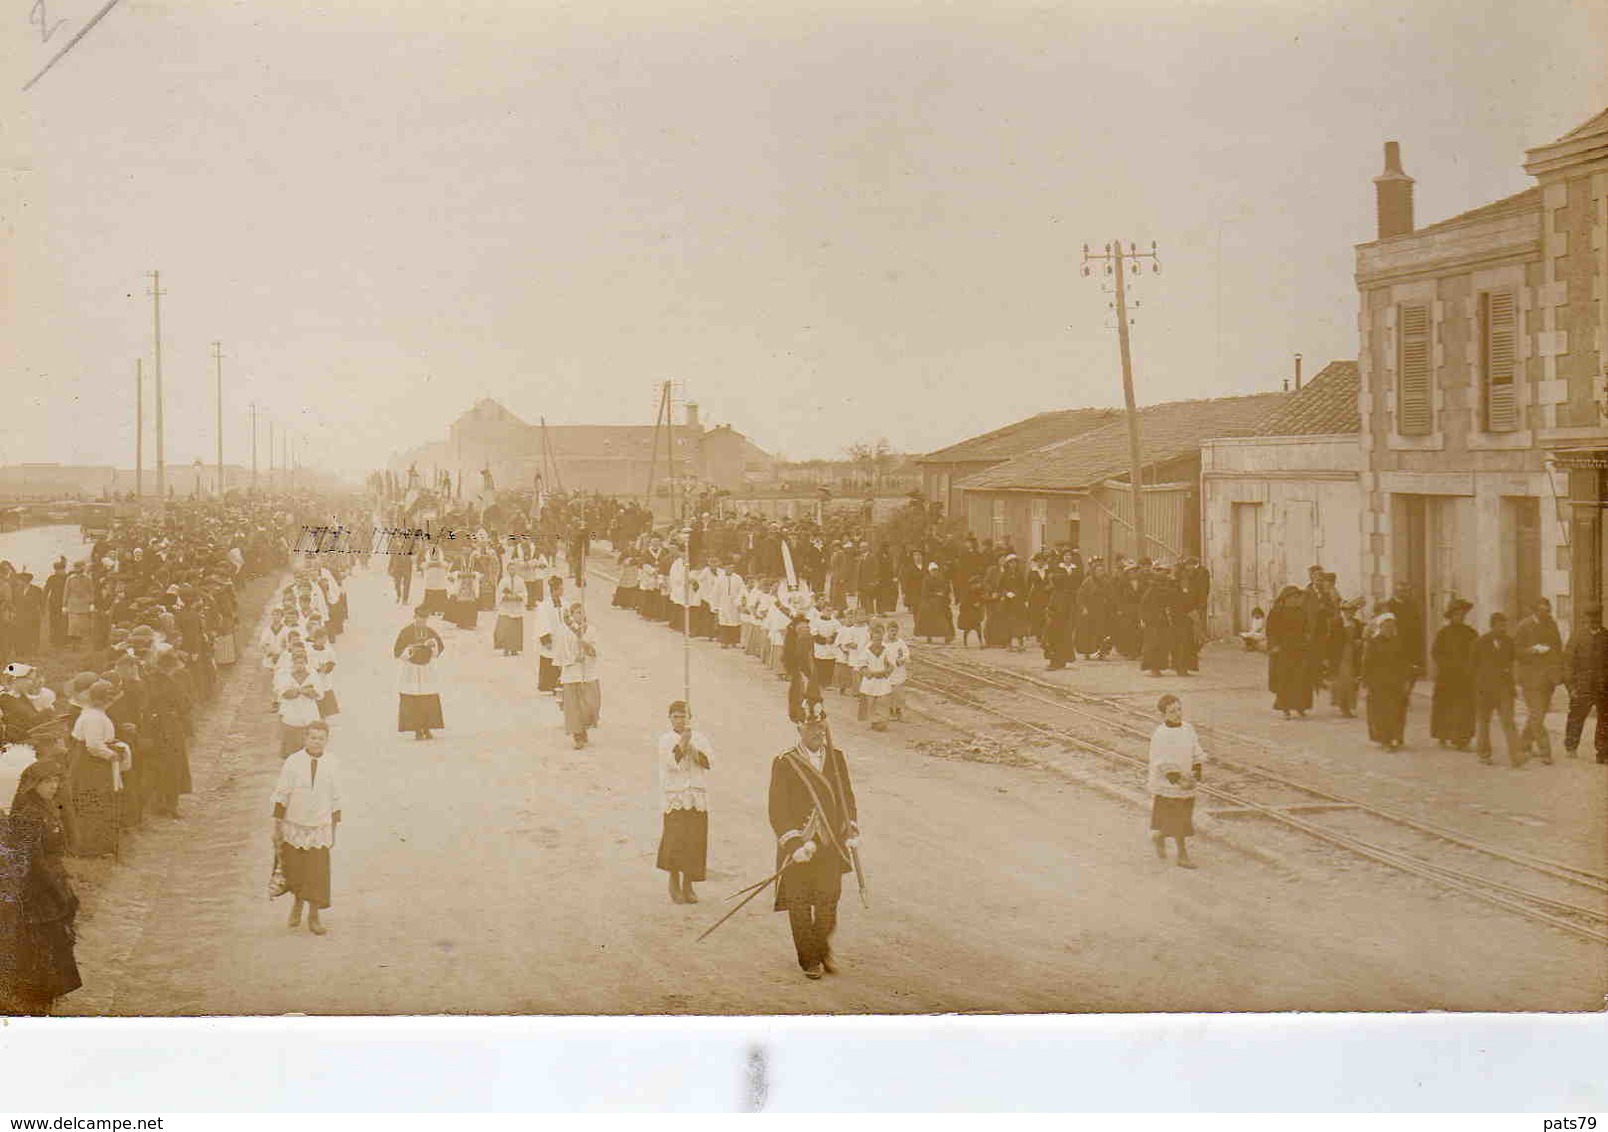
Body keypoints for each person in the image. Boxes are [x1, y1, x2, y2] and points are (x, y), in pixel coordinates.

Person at [768, 700, 860, 980]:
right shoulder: (785, 762)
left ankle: (820, 947)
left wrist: (852, 827)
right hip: (799, 847)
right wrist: (794, 845)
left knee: (829, 901)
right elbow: (777, 808)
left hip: (831, 843)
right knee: (799, 903)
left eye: (821, 727)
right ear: (800, 729)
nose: (818, 733)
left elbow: (847, 797)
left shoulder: (837, 757)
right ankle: (809, 959)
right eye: (812, 728)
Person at [1, 761, 82, 1014]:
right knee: (41, 942)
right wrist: (57, 890)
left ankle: (50, 993)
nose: (53, 786)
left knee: (55, 939)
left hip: (51, 879)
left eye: (55, 781)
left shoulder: (46, 809)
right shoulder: (28, 814)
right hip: (36, 888)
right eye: (47, 781)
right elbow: (34, 861)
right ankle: (37, 998)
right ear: (32, 785)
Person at [270, 719, 341, 936]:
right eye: (312, 737)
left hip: (319, 826)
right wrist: (278, 826)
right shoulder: (293, 762)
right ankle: (297, 905)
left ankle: (314, 915)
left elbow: (336, 798)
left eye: (321, 738)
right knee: (297, 869)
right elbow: (282, 795)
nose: (316, 741)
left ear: (327, 740)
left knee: (317, 872)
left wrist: (333, 830)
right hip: (295, 825)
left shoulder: (332, 763)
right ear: (305, 738)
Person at [655, 701, 711, 905]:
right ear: (670, 718)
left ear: (690, 718)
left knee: (694, 841)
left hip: (696, 797)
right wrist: (682, 744)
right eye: (676, 716)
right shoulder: (665, 740)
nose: (680, 720)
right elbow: (671, 763)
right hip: (676, 796)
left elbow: (708, 762)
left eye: (684, 716)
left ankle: (689, 884)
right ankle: (674, 881)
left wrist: (692, 746)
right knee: (676, 840)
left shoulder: (700, 738)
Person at [1146, 694, 1205, 869]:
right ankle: (1182, 855)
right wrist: (1177, 779)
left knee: (1183, 818)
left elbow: (1196, 750)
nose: (1177, 714)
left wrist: (1196, 771)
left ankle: (1160, 836)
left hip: (1187, 782)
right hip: (1170, 784)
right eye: (1172, 711)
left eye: (1179, 709)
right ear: (1164, 714)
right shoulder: (1161, 734)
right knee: (1178, 820)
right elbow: (1161, 761)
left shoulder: (1188, 729)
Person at [1513, 597, 1563, 766]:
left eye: (1548, 610)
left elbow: (1558, 647)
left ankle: (1522, 745)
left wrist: (1557, 671)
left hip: (1547, 679)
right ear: (1535, 611)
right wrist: (1532, 650)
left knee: (1537, 716)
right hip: (1530, 678)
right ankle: (1545, 751)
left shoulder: (1551, 624)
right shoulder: (1523, 626)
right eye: (1543, 610)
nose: (1547, 613)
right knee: (1537, 714)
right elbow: (1516, 652)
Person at [1473, 612, 1522, 768]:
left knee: (1509, 722)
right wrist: (1477, 686)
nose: (1503, 628)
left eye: (1505, 625)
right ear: (1492, 626)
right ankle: (1484, 754)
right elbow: (1472, 666)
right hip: (1485, 690)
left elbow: (1515, 659)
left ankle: (1516, 756)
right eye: (1500, 625)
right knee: (1483, 723)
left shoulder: (1508, 642)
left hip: (1504, 689)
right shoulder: (1480, 642)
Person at [1429, 599, 1478, 750]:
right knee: (1445, 706)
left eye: (1462, 614)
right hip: (1447, 677)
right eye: (1457, 614)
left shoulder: (1471, 633)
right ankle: (1443, 734)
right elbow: (1436, 652)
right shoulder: (1443, 633)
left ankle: (1462, 739)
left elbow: (1477, 652)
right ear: (1451, 616)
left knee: (1464, 708)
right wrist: (1446, 665)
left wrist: (1471, 667)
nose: (1460, 617)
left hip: (1465, 677)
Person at [1562, 604, 1608, 762]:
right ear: (1586, 618)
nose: (1594, 620)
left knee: (1605, 719)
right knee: (1576, 716)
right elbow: (1567, 662)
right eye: (1591, 616)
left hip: (1603, 687)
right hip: (1582, 686)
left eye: (1596, 616)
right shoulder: (1577, 637)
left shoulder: (1606, 637)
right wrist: (1571, 687)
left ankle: (1603, 752)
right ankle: (1571, 746)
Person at [392, 607, 445, 740]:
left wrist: (433, 646)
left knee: (428, 699)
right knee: (413, 699)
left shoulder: (431, 632)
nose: (422, 622)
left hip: (426, 670)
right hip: (411, 670)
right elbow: (397, 651)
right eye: (420, 619)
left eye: (425, 619)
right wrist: (410, 651)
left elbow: (439, 649)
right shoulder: (406, 632)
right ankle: (416, 729)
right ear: (414, 617)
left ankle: (427, 728)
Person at [554, 603, 601, 750]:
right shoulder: (564, 631)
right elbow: (560, 652)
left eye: (582, 612)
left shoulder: (591, 630)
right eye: (577, 612)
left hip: (588, 672)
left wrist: (586, 646)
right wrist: (573, 659)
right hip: (572, 673)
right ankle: (578, 735)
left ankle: (584, 727)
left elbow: (596, 650)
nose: (580, 615)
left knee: (590, 705)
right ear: (572, 614)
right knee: (574, 707)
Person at [1363, 612, 1413, 751]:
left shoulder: (1398, 641)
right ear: (1381, 627)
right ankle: (1385, 740)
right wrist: (1367, 682)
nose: (1389, 629)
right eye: (1386, 626)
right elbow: (1367, 663)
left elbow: (1405, 662)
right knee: (1382, 712)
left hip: (1397, 681)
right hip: (1379, 682)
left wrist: (1406, 680)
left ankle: (1396, 736)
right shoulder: (1374, 642)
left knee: (1398, 711)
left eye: (1392, 626)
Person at [1266, 586, 1313, 719]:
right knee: (1285, 679)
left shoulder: (1300, 611)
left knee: (1300, 678)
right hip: (1283, 649)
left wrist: (1307, 638)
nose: (1296, 599)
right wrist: (1274, 645)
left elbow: (1306, 627)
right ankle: (1285, 708)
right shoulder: (1277, 612)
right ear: (1285, 598)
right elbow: (1271, 630)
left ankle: (1300, 706)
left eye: (1297, 597)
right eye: (1293, 597)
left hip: (1299, 648)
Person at [493, 580, 526, 657]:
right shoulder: (503, 581)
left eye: (513, 569)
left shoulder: (520, 580)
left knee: (515, 628)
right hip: (506, 608)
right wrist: (505, 596)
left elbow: (524, 593)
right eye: (510, 569)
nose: (512, 571)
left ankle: (514, 648)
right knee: (505, 628)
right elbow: (498, 593)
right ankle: (506, 648)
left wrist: (519, 596)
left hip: (516, 607)